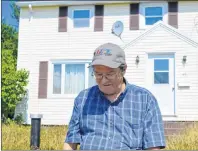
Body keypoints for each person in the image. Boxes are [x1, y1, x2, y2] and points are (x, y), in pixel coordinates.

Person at [63, 43, 166, 150]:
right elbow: (71, 142)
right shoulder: (83, 99)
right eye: (98, 74)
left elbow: (153, 146)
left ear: (123, 70)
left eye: (109, 74)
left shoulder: (145, 99)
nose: (103, 80)